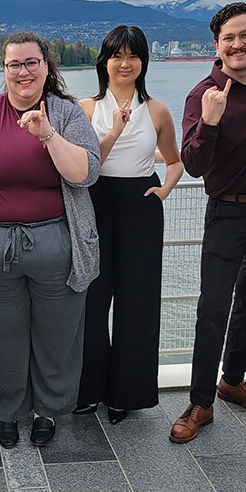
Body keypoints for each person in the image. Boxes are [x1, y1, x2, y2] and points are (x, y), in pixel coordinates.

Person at [0, 31, 101, 448]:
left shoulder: (66, 114)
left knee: (58, 333)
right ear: (4, 70)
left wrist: (48, 134)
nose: (23, 71)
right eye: (14, 64)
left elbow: (84, 173)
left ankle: (47, 409)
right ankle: (6, 409)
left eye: (32, 62)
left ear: (47, 67)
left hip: (58, 243)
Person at [171, 3, 246, 444]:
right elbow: (193, 165)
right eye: (229, 38)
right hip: (228, 211)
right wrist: (209, 122)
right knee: (213, 308)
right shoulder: (203, 93)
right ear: (217, 45)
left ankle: (233, 380)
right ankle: (201, 403)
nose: (238, 45)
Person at [74, 25, 183, 424]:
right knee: (91, 298)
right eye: (116, 56)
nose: (124, 63)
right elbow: (85, 166)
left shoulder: (156, 111)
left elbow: (175, 160)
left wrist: (165, 190)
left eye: (132, 56)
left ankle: (127, 393)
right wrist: (116, 129)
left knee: (137, 303)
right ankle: (87, 390)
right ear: (104, 61)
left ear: (143, 62)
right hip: (96, 203)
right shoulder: (85, 108)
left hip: (141, 205)